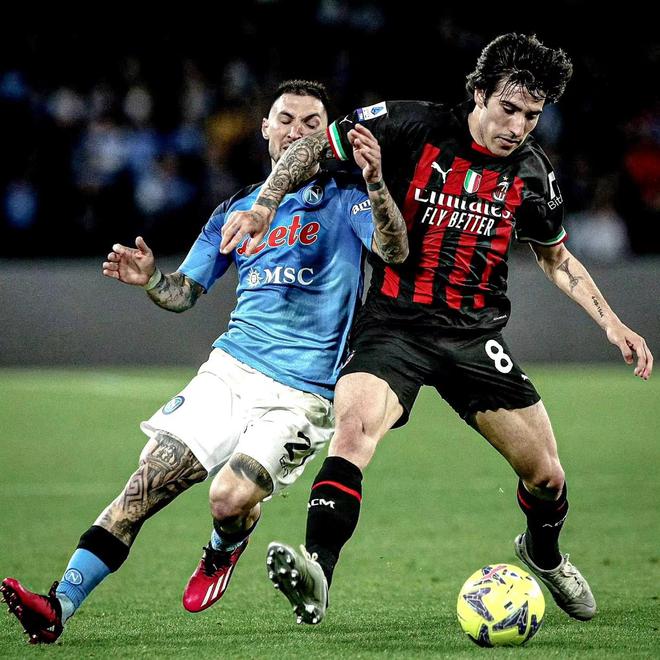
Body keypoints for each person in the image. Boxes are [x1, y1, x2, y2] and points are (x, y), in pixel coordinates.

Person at [221, 34, 654, 627]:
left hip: (473, 338)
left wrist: (611, 321)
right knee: (353, 433)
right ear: (479, 94)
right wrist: (267, 202)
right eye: (508, 108)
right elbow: (313, 148)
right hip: (393, 327)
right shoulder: (409, 125)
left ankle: (544, 554)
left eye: (531, 116)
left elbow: (555, 257)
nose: (517, 127)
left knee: (547, 477)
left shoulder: (531, 171)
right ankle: (317, 569)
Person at [0, 80, 408, 644]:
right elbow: (183, 293)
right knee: (146, 483)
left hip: (304, 391)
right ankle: (58, 605)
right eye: (286, 119)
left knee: (229, 498)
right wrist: (152, 280)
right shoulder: (235, 209)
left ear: (327, 134)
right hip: (230, 370)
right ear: (265, 129)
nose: (297, 131)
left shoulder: (348, 197)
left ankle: (224, 546)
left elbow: (393, 250)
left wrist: (377, 182)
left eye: (312, 123)